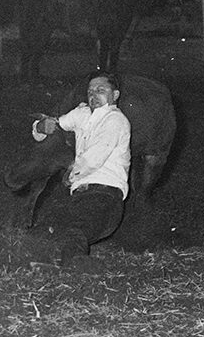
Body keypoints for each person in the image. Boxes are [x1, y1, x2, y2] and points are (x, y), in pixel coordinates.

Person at [32, 72, 131, 266]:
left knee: (74, 232)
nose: (94, 95)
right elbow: (57, 123)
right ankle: (62, 267)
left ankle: (81, 271)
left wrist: (72, 173)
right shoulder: (84, 115)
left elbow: (94, 158)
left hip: (104, 197)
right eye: (90, 91)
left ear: (115, 95)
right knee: (52, 233)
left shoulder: (115, 121)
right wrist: (40, 127)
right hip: (81, 196)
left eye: (101, 90)